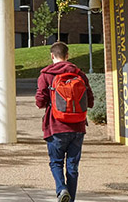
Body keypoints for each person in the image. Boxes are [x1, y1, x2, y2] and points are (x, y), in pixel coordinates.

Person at [36, 41, 94, 202]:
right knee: (72, 167)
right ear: (67, 56)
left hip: (56, 126)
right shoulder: (79, 74)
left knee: (56, 162)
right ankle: (71, 199)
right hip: (78, 127)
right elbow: (90, 101)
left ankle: (61, 189)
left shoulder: (46, 75)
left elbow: (40, 101)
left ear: (52, 55)